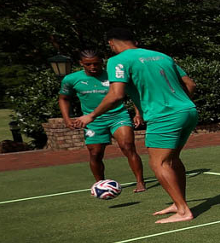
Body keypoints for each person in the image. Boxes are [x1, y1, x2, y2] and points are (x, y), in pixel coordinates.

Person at [72, 28, 198, 224]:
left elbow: (116, 95)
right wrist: (179, 105)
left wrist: (91, 115)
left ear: (111, 43)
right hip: (188, 111)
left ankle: (183, 211)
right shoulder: (161, 56)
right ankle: (178, 203)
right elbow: (190, 84)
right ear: (135, 41)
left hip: (164, 116)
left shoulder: (117, 60)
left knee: (159, 163)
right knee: (172, 160)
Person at [58, 49, 146, 192]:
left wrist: (138, 113)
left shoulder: (114, 76)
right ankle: (100, 185)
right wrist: (66, 119)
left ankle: (140, 182)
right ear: (81, 63)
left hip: (118, 116)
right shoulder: (71, 79)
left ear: (101, 62)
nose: (93, 67)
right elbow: (64, 98)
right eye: (88, 64)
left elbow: (133, 93)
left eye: (96, 63)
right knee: (95, 153)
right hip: (93, 121)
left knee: (127, 146)